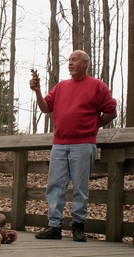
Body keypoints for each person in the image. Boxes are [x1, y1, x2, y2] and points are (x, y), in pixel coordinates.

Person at [29, 50, 117, 242]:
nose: (70, 63)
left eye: (74, 60)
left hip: (83, 145)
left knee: (80, 187)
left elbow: (111, 111)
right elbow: (46, 108)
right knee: (55, 186)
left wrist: (94, 125)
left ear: (85, 63)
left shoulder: (97, 86)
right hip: (59, 144)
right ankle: (54, 226)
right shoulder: (61, 86)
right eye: (69, 60)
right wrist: (37, 92)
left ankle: (78, 226)